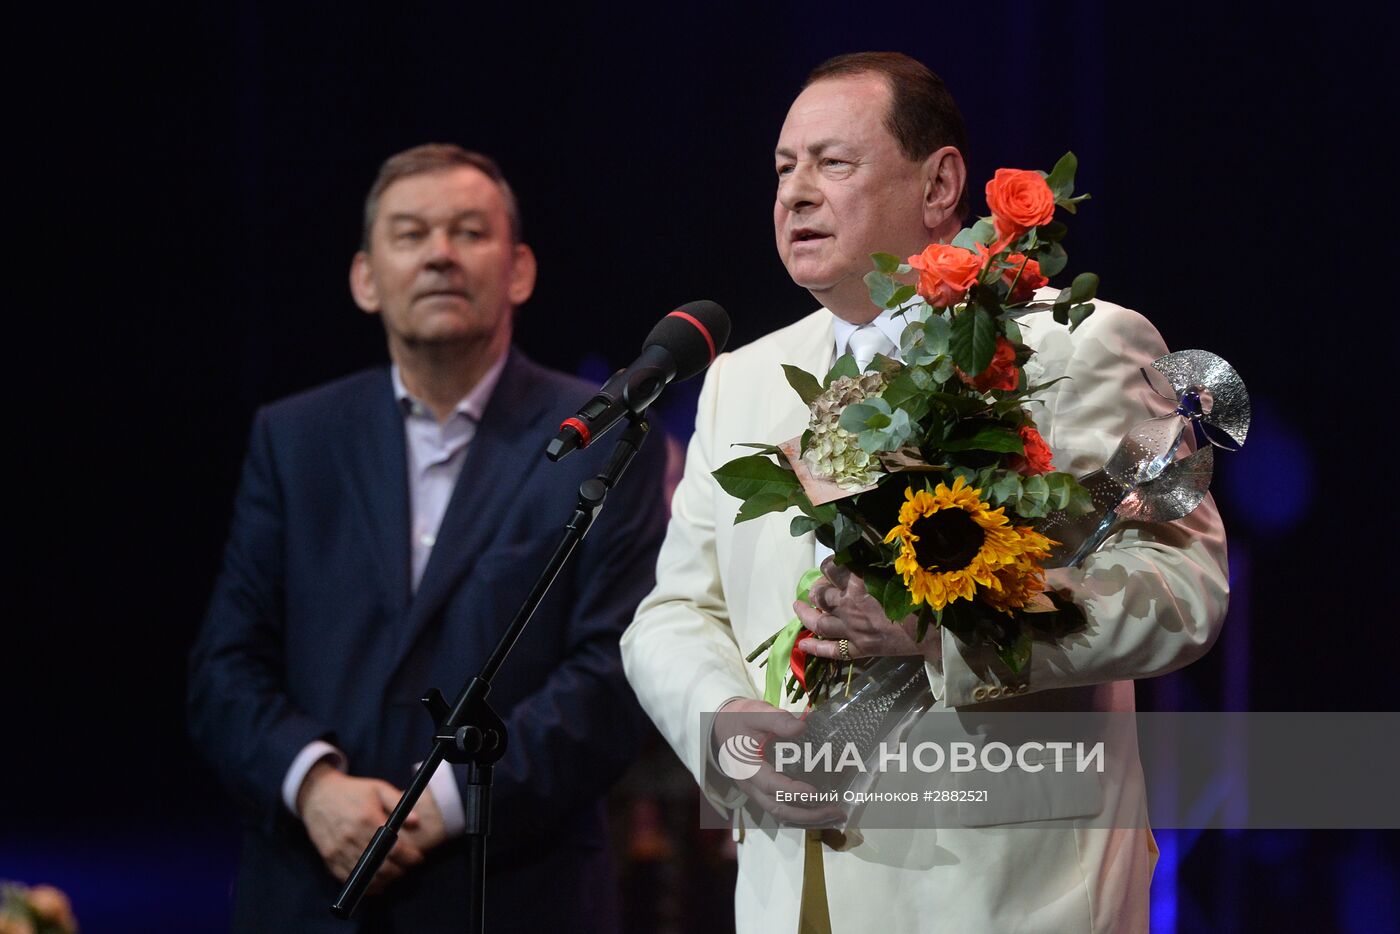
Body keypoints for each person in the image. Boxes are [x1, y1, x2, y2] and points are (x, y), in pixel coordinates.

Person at [620, 53, 1228, 933]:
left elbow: (1184, 590)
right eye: (784, 169)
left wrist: (944, 630)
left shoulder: (1076, 346)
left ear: (940, 182)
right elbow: (674, 613)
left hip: (1005, 899)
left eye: (832, 163)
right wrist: (730, 728)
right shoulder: (742, 382)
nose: (794, 194)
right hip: (789, 894)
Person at [188, 144, 667, 933]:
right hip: (310, 889)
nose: (440, 254)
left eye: (468, 232)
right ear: (364, 278)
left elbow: (614, 674)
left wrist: (438, 804)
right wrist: (313, 786)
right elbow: (224, 667)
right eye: (411, 234)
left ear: (519, 270)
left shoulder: (607, 434)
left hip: (514, 892)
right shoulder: (294, 439)